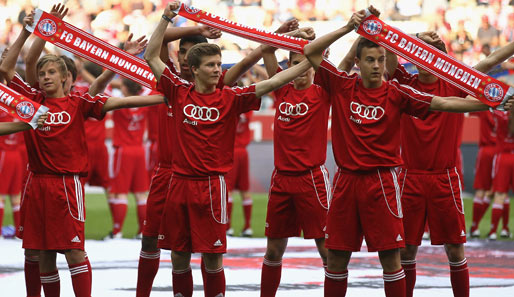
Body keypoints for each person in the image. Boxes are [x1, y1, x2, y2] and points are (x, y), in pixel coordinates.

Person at [301, 7, 514, 297]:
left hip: (411, 179)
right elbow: (319, 51)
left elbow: (449, 101)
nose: (376, 65)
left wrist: (493, 101)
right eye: (370, 60)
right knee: (353, 257)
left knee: (422, 254)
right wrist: (362, 28)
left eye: (379, 60)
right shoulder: (379, 82)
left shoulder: (414, 90)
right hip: (386, 179)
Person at [144, 2, 316, 296]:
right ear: (194, 69)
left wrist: (311, 60)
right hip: (179, 185)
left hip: (211, 186)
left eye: (218, 64)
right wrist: (165, 17)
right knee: (177, 257)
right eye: (211, 65)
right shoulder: (176, 90)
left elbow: (273, 80)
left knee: (213, 258)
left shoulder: (231, 97)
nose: (217, 70)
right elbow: (150, 54)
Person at [0, 11, 164, 297]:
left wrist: (162, 97)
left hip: (66, 185)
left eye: (51, 72)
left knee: (74, 252)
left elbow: (117, 102)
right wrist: (31, 30)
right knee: (40, 254)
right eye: (42, 73)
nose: (45, 77)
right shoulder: (33, 101)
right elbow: (7, 68)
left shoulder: (78, 102)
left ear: (66, 78)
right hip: (36, 183)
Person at [385, 31, 514, 297]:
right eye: (418, 51)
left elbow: (489, 61)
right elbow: (388, 52)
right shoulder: (403, 81)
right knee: (406, 250)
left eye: (430, 53)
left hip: (445, 178)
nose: (423, 59)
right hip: (409, 177)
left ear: (441, 57)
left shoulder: (453, 82)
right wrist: (410, 37)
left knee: (455, 250)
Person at [258, 28, 333, 297]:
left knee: (327, 249)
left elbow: (325, 57)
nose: (300, 68)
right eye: (294, 62)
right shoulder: (280, 89)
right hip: (281, 179)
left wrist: (310, 42)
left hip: (311, 178)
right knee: (273, 250)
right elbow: (266, 49)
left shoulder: (324, 91)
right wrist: (292, 35)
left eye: (305, 62)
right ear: (287, 66)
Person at [225, 111, 254, 237]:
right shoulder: (247, 108)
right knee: (245, 190)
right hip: (243, 151)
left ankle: (228, 227)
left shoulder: (230, 104)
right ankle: (247, 227)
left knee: (228, 189)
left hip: (231, 150)